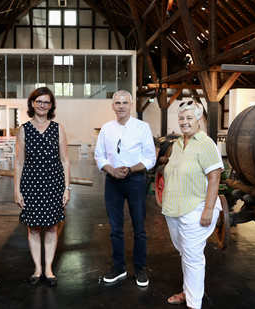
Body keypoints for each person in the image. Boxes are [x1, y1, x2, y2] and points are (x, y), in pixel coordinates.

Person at [162, 101, 223, 309]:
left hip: (197, 208)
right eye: (181, 118)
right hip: (176, 209)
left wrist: (208, 208)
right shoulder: (178, 144)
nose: (184, 122)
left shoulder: (205, 143)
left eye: (189, 118)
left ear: (199, 120)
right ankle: (189, 292)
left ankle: (194, 303)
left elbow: (215, 177)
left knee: (193, 256)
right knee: (185, 253)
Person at [94, 90, 156, 287]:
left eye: (125, 103)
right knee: (116, 229)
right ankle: (119, 268)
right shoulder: (106, 128)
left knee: (139, 228)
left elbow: (150, 158)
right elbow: (99, 156)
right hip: (113, 182)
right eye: (117, 103)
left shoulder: (142, 127)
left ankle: (140, 269)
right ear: (113, 106)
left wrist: (130, 169)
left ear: (131, 105)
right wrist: (111, 170)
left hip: (136, 181)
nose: (121, 106)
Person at [14, 87, 71, 287]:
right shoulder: (24, 129)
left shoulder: (58, 129)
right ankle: (37, 269)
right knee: (34, 228)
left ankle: (48, 269)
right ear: (32, 104)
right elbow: (19, 162)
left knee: (52, 227)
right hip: (31, 185)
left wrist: (66, 188)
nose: (42, 105)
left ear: (51, 106)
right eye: (39, 101)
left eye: (46, 102)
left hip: (54, 184)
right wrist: (17, 189)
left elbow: (65, 160)